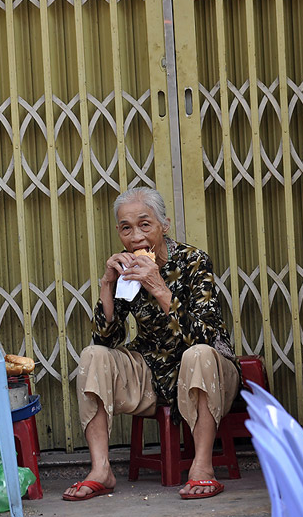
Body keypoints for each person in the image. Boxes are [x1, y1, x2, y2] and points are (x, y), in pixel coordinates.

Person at [63, 187, 240, 501]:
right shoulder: (125, 270)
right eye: (126, 228)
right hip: (151, 372)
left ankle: (202, 468)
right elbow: (107, 339)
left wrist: (159, 287)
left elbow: (205, 335)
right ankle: (101, 469)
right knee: (93, 355)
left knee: (198, 353)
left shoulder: (193, 261)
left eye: (145, 225)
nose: (136, 236)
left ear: (164, 225)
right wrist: (107, 284)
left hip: (206, 372)